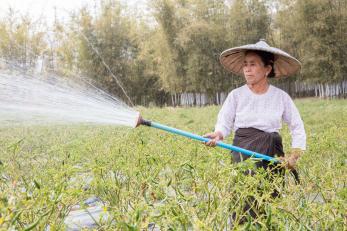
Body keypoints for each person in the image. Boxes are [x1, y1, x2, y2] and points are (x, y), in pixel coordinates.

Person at [203, 39, 306, 221]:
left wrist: (294, 155)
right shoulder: (236, 95)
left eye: (253, 64)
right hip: (244, 152)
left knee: (269, 201)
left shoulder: (280, 97)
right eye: (245, 65)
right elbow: (224, 122)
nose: (247, 69)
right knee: (244, 199)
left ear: (267, 69)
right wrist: (218, 134)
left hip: (272, 155)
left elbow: (297, 126)